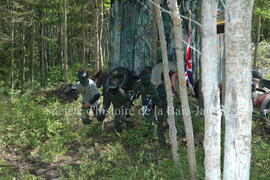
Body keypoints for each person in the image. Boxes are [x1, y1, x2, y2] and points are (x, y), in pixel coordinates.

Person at [132, 68, 166, 147]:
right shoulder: (138, 83)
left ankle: (152, 136)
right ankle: (148, 137)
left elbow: (158, 102)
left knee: (154, 121)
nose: (145, 81)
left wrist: (161, 113)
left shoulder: (153, 87)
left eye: (147, 78)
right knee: (147, 120)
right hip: (145, 104)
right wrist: (133, 97)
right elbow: (134, 93)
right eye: (143, 79)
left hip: (154, 104)